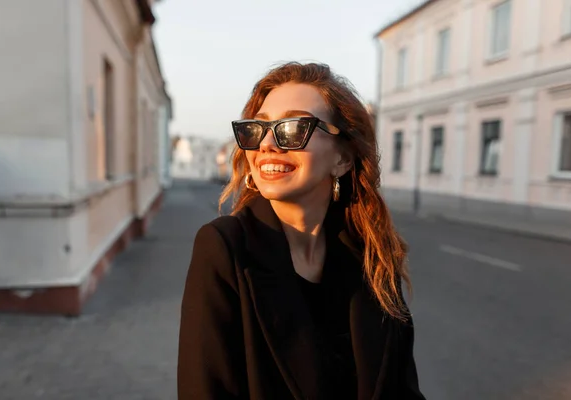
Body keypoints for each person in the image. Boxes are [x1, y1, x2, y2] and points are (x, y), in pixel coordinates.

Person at [178, 62, 426, 400]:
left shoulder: (373, 259)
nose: (266, 144)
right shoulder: (225, 249)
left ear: (343, 158)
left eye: (293, 128)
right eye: (257, 129)